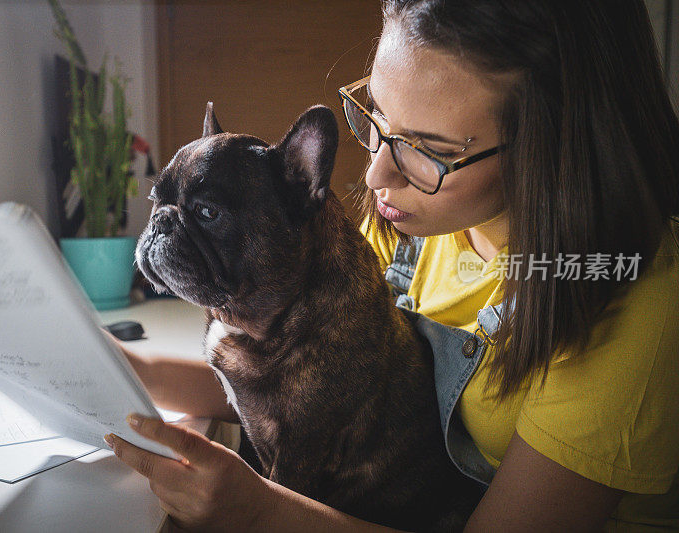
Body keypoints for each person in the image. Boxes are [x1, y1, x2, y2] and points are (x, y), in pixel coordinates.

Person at [104, 1, 679, 530]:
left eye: (429, 150)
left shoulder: (625, 299)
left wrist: (257, 512)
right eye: (376, 115)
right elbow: (301, 391)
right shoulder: (420, 221)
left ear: (554, 141)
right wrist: (123, 366)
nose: (377, 173)